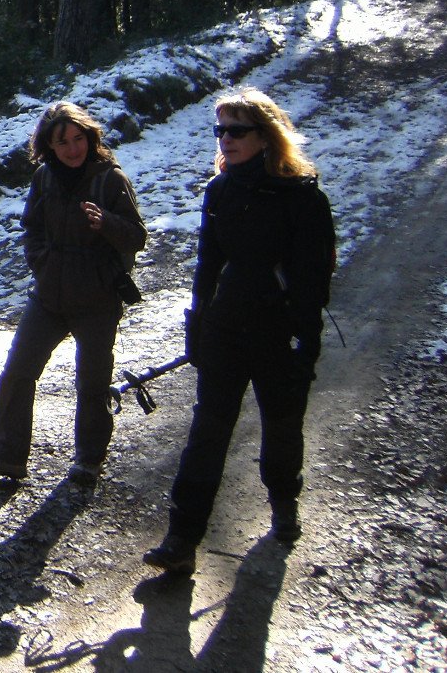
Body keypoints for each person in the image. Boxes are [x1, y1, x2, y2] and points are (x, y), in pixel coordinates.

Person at [144, 87, 335, 574]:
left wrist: (306, 341)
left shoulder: (302, 197)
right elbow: (208, 265)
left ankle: (284, 503)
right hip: (226, 328)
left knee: (282, 424)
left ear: (265, 136)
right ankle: (182, 538)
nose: (225, 139)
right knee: (207, 432)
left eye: (237, 130)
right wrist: (197, 322)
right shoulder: (220, 190)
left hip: (278, 331)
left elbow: (313, 278)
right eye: (220, 130)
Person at [0, 102, 147, 486]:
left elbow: (136, 236)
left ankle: (88, 461)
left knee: (92, 383)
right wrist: (43, 263)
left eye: (78, 138)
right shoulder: (44, 177)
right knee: (18, 372)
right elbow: (31, 228)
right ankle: (6, 456)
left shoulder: (110, 179)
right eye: (62, 142)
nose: (72, 148)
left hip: (98, 300)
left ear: (89, 137)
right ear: (48, 145)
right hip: (49, 296)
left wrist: (106, 222)